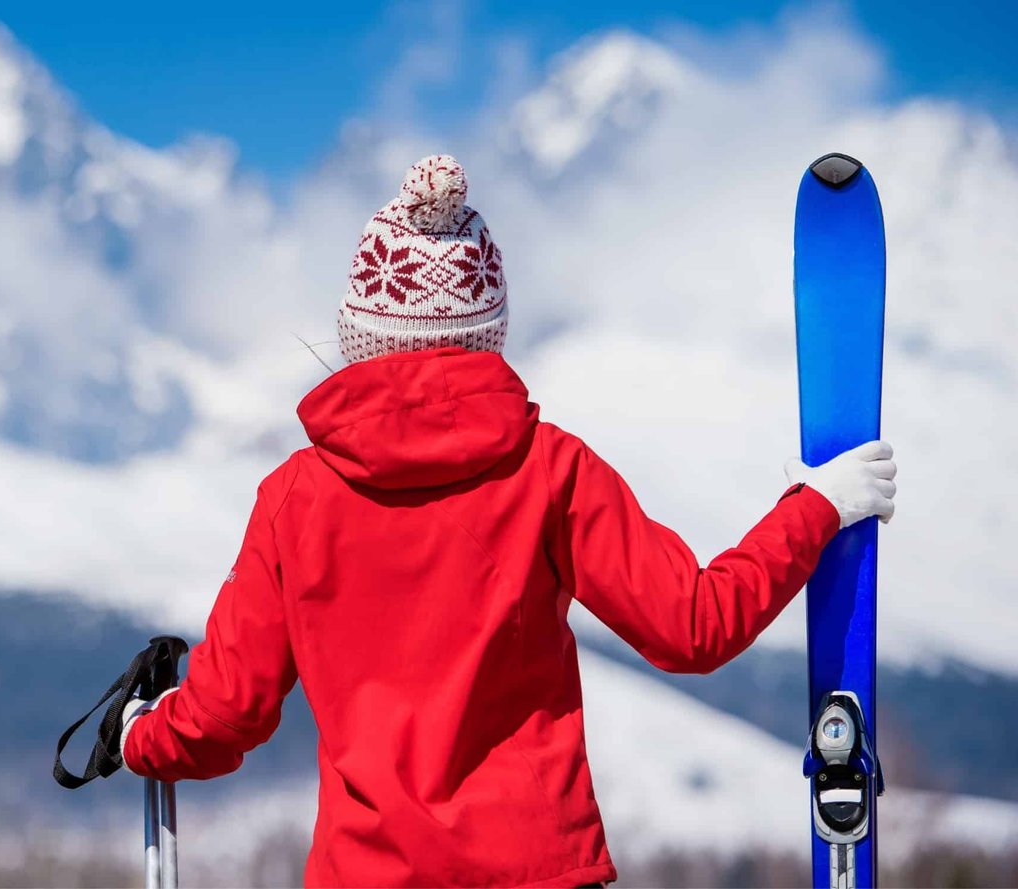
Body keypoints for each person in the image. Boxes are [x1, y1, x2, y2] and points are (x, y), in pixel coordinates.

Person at [118, 155, 897, 887]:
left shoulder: (295, 496)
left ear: (358, 336)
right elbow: (695, 626)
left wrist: (140, 732)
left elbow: (224, 714)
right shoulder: (549, 469)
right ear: (488, 332)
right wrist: (816, 508)